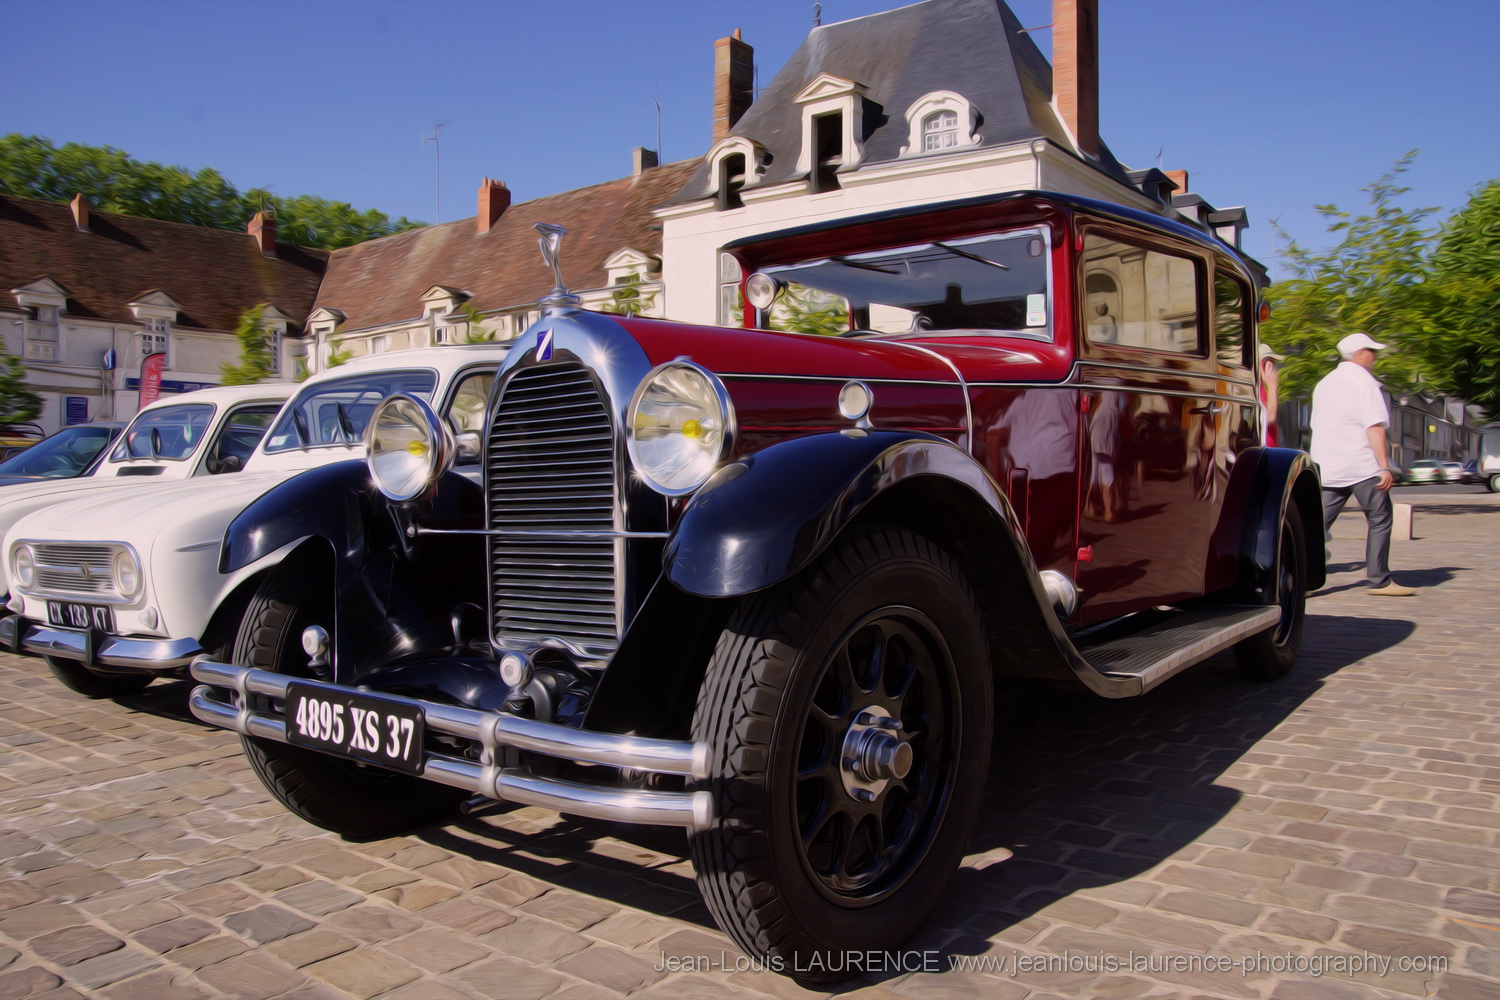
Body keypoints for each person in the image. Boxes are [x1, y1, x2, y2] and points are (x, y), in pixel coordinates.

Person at [1309, 333, 1415, 596]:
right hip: (1362, 465)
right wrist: (1384, 465)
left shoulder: (1324, 383)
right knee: (1380, 519)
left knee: (1316, 525)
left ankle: (1306, 583)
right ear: (1359, 354)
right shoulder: (1364, 384)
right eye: (1371, 351)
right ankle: (1379, 580)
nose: (1375, 356)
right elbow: (1374, 427)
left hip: (1328, 464)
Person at [1257, 343, 1283, 447]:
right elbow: (1269, 417)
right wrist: (1273, 385)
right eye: (1267, 362)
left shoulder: (1262, 388)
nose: (1271, 366)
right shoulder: (1253, 390)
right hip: (1261, 452)